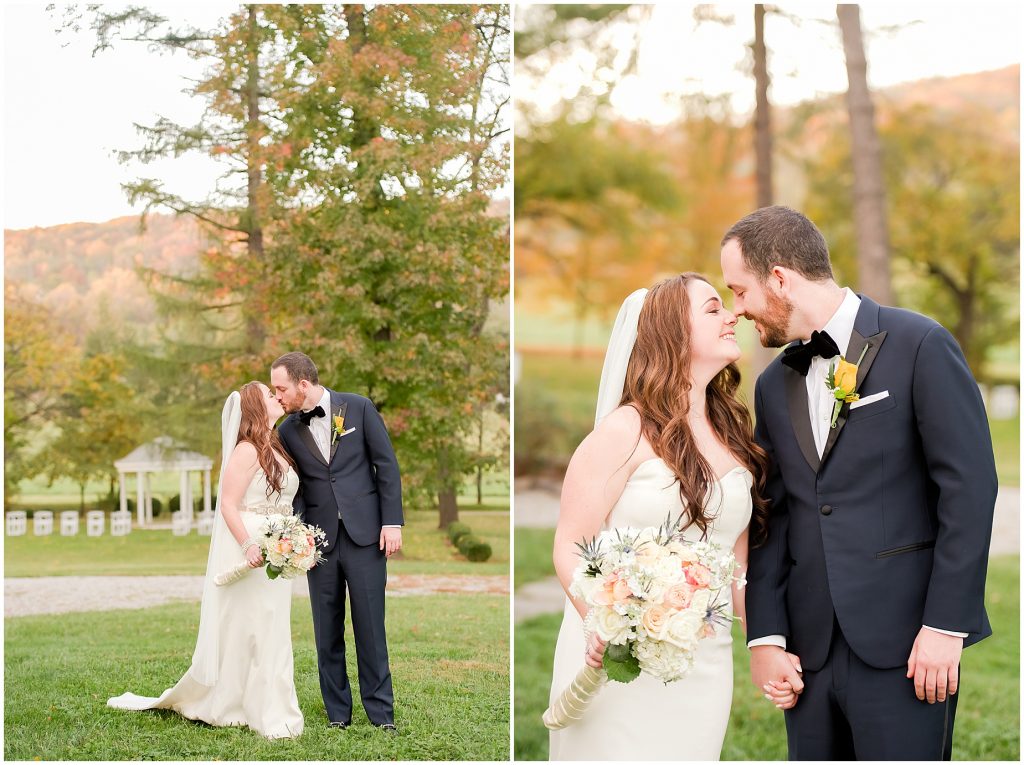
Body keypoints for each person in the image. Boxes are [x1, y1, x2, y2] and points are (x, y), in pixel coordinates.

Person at [722, 205, 997, 760]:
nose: (738, 309)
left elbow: (969, 492)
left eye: (740, 290)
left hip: (909, 647)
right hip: (808, 655)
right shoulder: (773, 384)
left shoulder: (920, 344)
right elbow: (773, 515)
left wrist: (946, 625)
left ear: (780, 278)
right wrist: (766, 637)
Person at [547, 273, 769, 761]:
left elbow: (738, 564)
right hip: (618, 656)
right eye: (713, 309)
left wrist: (765, 640)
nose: (732, 314)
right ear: (673, 332)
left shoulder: (732, 431)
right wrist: (599, 622)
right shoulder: (622, 431)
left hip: (704, 659)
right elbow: (570, 544)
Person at [108, 382, 304, 740]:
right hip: (254, 549)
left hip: (279, 547)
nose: (277, 397)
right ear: (256, 408)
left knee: (273, 628)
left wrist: (293, 538)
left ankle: (271, 703)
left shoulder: (275, 445)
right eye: (269, 395)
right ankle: (235, 703)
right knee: (251, 628)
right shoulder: (246, 450)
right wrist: (247, 545)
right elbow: (228, 504)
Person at [271, 352, 404, 732]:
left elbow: (386, 466)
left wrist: (392, 521)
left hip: (366, 537)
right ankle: (337, 714)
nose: (278, 396)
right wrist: (298, 535)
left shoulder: (358, 408)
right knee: (326, 631)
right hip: (317, 544)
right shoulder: (286, 431)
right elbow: (293, 486)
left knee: (370, 629)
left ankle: (381, 715)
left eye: (281, 388)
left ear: (303, 384)